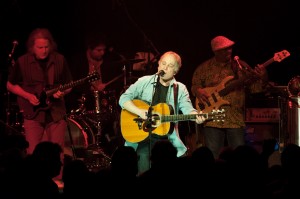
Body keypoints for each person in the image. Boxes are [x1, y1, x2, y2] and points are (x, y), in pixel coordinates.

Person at [119, 51, 206, 175]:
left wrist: (196, 115)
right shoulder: (144, 81)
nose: (165, 67)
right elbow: (123, 98)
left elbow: (187, 109)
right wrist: (139, 111)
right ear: (158, 65)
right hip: (143, 138)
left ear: (175, 71)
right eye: (163, 63)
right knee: (143, 163)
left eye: (170, 66)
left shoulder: (180, 88)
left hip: (168, 140)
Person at [191, 35, 268, 159]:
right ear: (215, 51)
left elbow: (256, 88)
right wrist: (198, 91)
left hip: (235, 118)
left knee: (240, 157)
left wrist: (263, 77)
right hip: (212, 118)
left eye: (230, 48)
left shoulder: (240, 66)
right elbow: (195, 86)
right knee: (213, 156)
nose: (229, 51)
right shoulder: (204, 68)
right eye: (224, 49)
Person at [6, 28, 73, 157]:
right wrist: (28, 96)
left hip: (56, 113)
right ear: (32, 47)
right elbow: (10, 85)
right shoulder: (23, 61)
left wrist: (63, 92)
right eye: (40, 47)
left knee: (57, 152)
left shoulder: (59, 60)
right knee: (33, 152)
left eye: (46, 47)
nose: (44, 50)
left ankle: (57, 178)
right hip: (33, 114)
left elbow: (69, 84)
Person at [65, 32, 125, 157]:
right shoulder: (78, 61)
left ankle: (108, 150)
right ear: (90, 49)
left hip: (103, 101)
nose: (102, 53)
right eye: (98, 50)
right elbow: (72, 83)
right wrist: (89, 89)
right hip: (83, 100)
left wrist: (105, 86)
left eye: (103, 50)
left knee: (111, 122)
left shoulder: (108, 61)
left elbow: (116, 81)